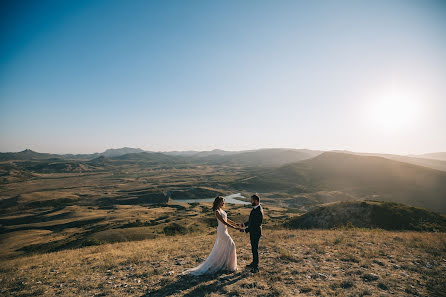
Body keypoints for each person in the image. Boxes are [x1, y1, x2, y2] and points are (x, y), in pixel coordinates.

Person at [183, 196, 241, 275]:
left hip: (225, 230)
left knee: (226, 247)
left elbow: (226, 219)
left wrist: (235, 223)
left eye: (224, 202)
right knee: (231, 245)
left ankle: (227, 265)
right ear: (218, 202)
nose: (224, 203)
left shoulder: (221, 210)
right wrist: (234, 227)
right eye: (222, 202)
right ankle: (227, 265)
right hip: (222, 231)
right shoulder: (217, 211)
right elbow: (223, 222)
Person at [239, 194, 264, 273]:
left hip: (256, 232)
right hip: (253, 232)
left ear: (256, 201)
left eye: (252, 200)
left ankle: (256, 267)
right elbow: (251, 221)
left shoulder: (258, 211)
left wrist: (245, 230)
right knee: (253, 249)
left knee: (255, 249)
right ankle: (254, 263)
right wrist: (244, 224)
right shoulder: (255, 208)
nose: (250, 201)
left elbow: (255, 224)